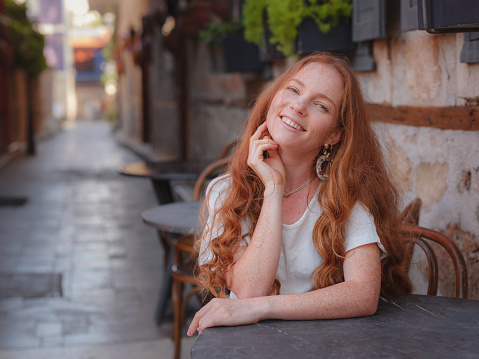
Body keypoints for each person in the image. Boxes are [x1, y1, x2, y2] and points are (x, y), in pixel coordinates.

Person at [187, 52, 412, 336]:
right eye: (293, 89)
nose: (298, 106)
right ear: (273, 98)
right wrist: (274, 189)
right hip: (248, 347)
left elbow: (363, 294)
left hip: (326, 345)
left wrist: (264, 308)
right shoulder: (226, 192)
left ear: (334, 135)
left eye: (321, 105)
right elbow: (248, 291)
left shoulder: (346, 194)